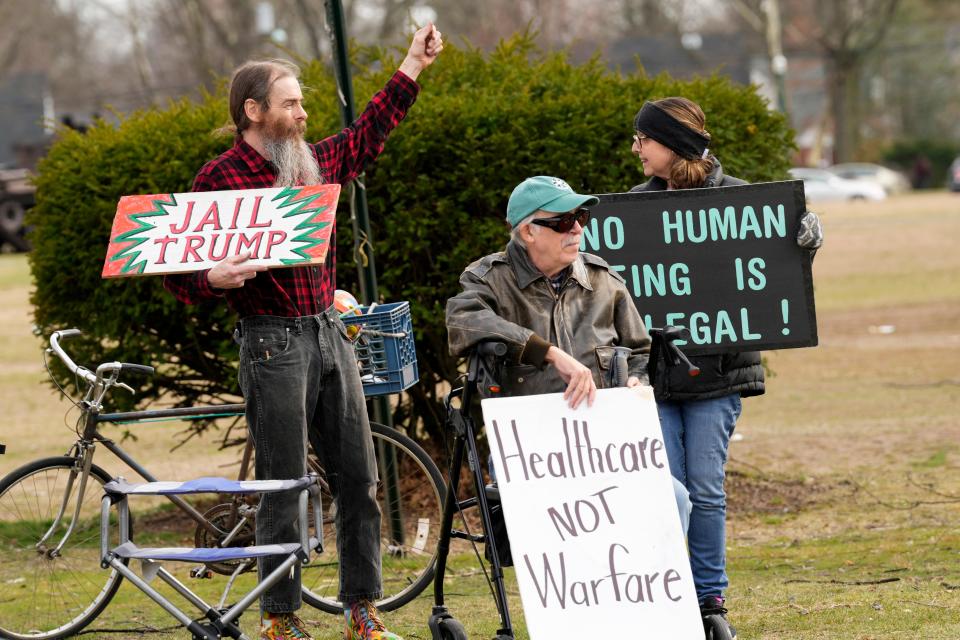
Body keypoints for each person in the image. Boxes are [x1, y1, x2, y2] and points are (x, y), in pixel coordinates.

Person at [163, 24, 443, 640]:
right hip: (270, 342)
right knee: (283, 484)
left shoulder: (312, 160)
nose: (302, 113)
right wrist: (213, 277)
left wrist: (412, 65)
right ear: (253, 111)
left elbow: (369, 133)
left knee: (359, 479)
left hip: (330, 333)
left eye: (302, 102)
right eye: (290, 103)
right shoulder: (220, 180)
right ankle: (279, 618)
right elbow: (173, 272)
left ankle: (361, 612)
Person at [630, 97, 823, 639]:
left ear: (673, 143)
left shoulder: (739, 201)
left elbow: (777, 262)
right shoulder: (630, 213)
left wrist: (806, 235)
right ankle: (666, 594)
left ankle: (709, 599)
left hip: (720, 378)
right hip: (658, 378)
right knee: (666, 488)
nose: (636, 148)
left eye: (644, 138)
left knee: (707, 489)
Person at [445, 175, 693, 531]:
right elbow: (463, 320)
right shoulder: (489, 280)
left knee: (675, 498)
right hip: (529, 450)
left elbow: (640, 350)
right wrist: (547, 353)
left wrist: (638, 379)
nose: (576, 229)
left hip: (604, 444)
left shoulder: (603, 280)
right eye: (562, 221)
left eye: (581, 218)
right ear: (528, 231)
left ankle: (649, 586)